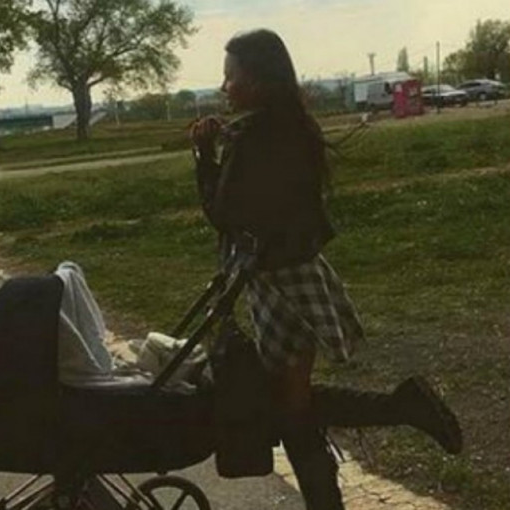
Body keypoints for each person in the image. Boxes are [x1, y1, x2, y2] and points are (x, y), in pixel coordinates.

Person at [189, 29, 462, 510]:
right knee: (290, 404)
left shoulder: (257, 138)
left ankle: (402, 407)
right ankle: (396, 414)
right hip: (292, 273)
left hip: (282, 283)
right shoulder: (288, 127)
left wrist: (203, 158)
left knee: (291, 407)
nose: (224, 86)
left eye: (230, 76)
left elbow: (226, 215)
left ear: (257, 79)